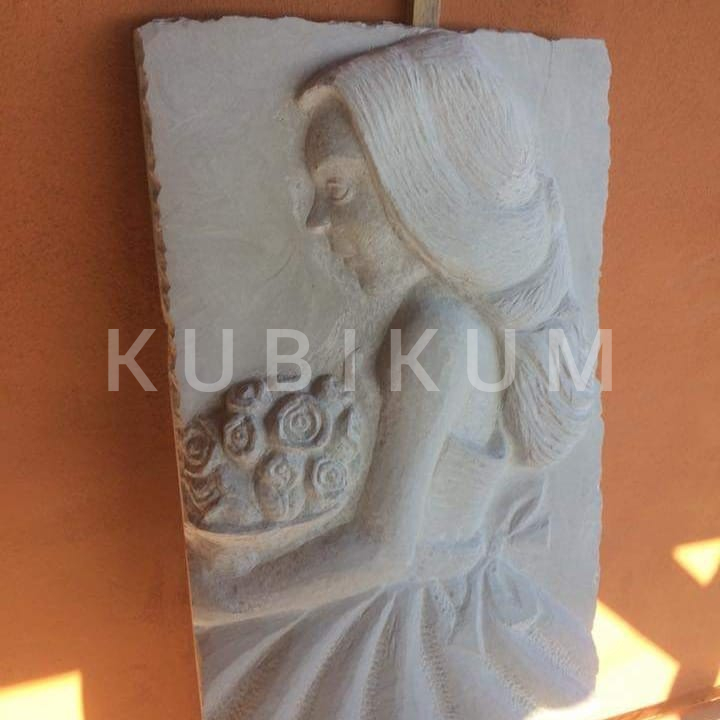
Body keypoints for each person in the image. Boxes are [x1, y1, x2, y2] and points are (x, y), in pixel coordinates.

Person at [195, 31, 598, 720]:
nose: (316, 221)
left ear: (421, 192)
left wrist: (228, 594)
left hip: (403, 614)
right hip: (445, 588)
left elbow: (381, 547)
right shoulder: (453, 323)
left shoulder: (437, 331)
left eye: (338, 187)